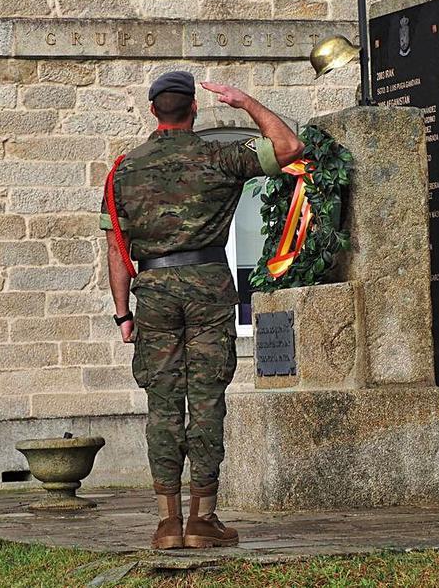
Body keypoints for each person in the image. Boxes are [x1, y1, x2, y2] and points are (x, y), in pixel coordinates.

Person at [100, 72, 303, 549]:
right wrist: (245, 101)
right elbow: (289, 146)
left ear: (154, 111)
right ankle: (203, 518)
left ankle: (167, 522)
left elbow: (116, 250)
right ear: (193, 109)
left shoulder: (123, 170)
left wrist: (122, 314)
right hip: (209, 285)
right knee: (207, 399)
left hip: (153, 291)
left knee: (163, 403)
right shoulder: (219, 156)